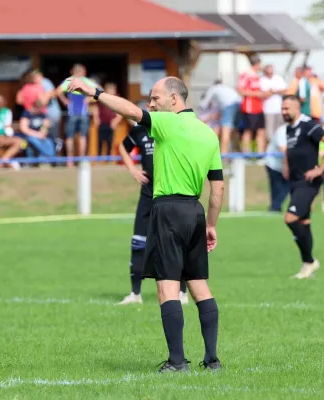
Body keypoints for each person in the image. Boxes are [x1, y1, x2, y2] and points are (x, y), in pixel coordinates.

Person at [67, 76, 224, 373]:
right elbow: (217, 189)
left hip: (167, 211)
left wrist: (95, 92)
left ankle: (177, 362)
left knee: (166, 289)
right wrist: (211, 224)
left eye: (156, 97)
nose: (151, 104)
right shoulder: (208, 134)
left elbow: (128, 111)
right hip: (195, 211)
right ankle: (212, 359)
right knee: (200, 287)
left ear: (174, 100)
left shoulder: (165, 123)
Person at [117, 102, 188, 306]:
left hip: (171, 195)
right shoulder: (139, 130)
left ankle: (182, 293)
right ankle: (135, 294)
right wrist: (132, 170)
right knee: (138, 243)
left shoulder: (172, 128)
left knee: (175, 244)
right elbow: (123, 146)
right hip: (148, 195)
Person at [281, 95, 324, 279]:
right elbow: (291, 151)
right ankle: (307, 265)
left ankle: (311, 260)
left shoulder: (308, 125)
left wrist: (321, 169)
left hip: (308, 181)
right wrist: (286, 166)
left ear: (297, 109)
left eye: (286, 108)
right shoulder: (289, 128)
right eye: (282, 108)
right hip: (295, 181)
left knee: (290, 218)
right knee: (304, 223)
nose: (283, 112)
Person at [199, 79, 241, 154]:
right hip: (239, 104)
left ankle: (224, 156)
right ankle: (236, 153)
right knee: (234, 131)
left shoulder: (214, 88)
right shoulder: (226, 88)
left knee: (226, 131)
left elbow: (203, 104)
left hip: (229, 106)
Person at [264, 124, 289, 212]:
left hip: (285, 164)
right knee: (277, 187)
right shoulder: (282, 131)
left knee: (286, 187)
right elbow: (284, 150)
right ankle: (275, 207)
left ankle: (275, 207)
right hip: (273, 164)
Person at [93, 83, 122, 157]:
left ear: (115, 91)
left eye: (112, 90)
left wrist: (116, 121)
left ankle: (108, 159)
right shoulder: (101, 97)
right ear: (105, 90)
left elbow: (121, 111)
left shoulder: (117, 99)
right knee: (100, 141)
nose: (110, 91)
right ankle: (98, 158)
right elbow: (95, 108)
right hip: (102, 123)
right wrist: (96, 119)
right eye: (108, 90)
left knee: (110, 142)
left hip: (111, 124)